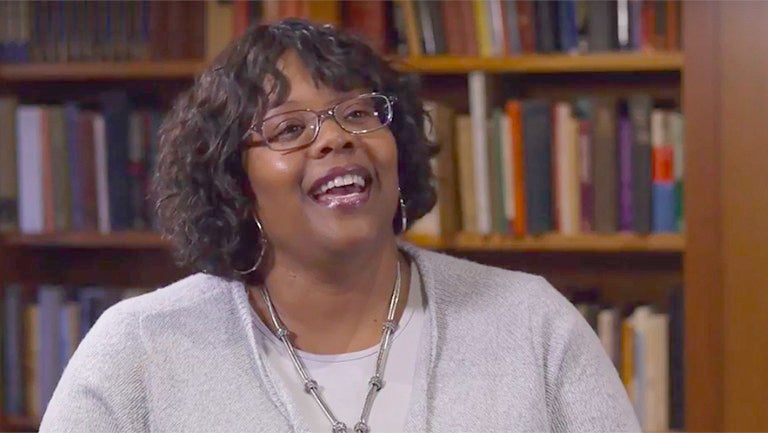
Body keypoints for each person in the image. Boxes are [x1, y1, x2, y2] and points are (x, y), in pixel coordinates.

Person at [40, 19, 640, 433]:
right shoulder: (139, 350)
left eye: (358, 112)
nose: (335, 137)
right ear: (233, 179)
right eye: (288, 129)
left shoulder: (531, 325)